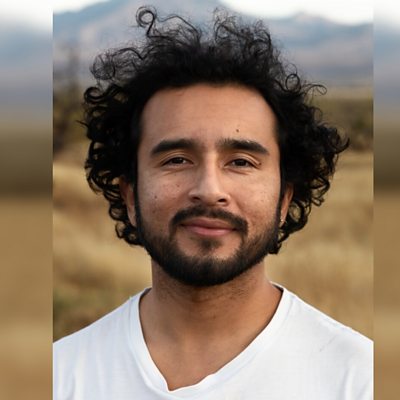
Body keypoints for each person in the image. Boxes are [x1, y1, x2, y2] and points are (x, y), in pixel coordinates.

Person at [53, 7, 372, 399]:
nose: (208, 189)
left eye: (241, 162)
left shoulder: (359, 380)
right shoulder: (59, 375)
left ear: (284, 198)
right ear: (130, 195)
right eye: (176, 160)